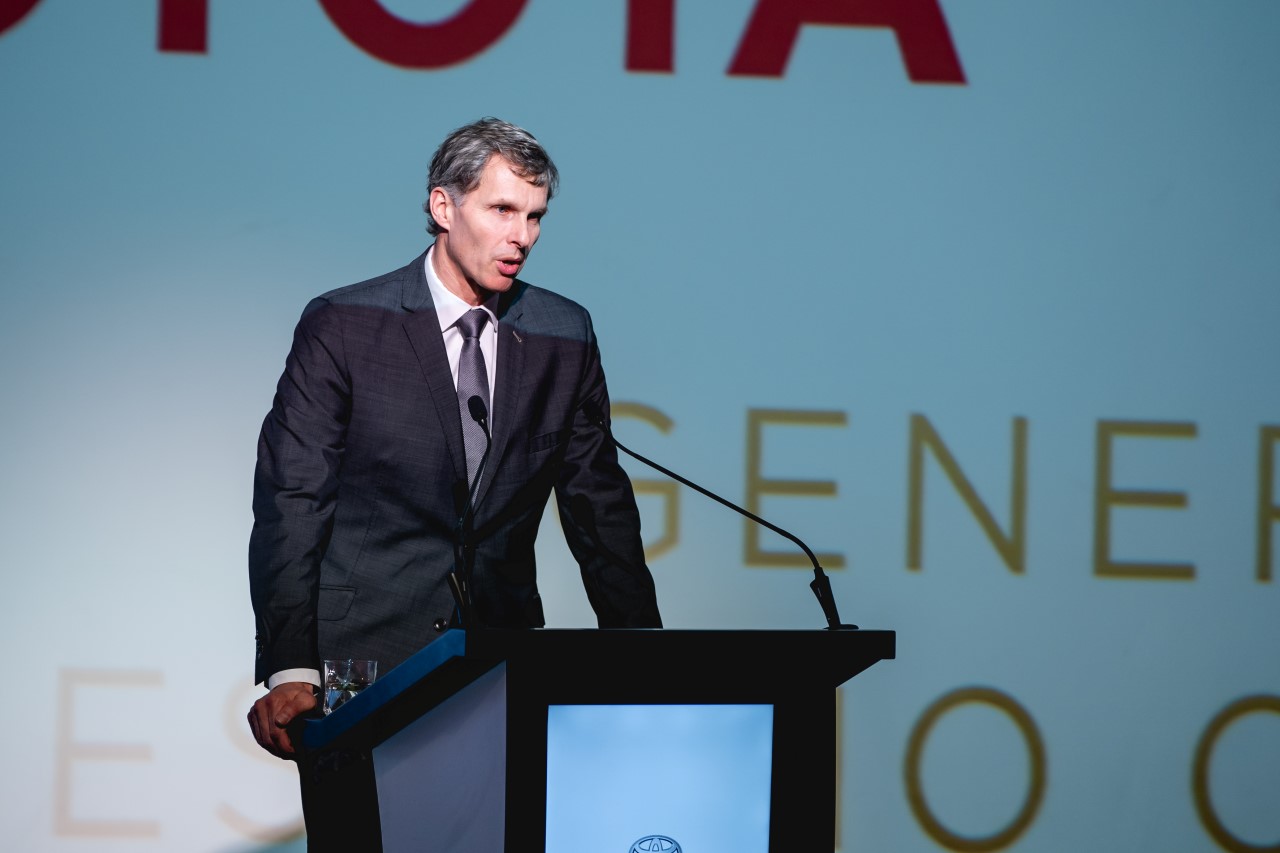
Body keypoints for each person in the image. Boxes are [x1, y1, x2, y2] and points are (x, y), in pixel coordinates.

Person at [245, 117, 662, 844]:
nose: (521, 236)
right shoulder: (346, 324)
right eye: (502, 210)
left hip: (500, 661)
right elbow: (292, 499)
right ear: (444, 206)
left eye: (535, 216)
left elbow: (599, 508)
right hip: (359, 664)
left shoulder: (562, 333)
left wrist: (647, 660)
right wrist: (290, 665)